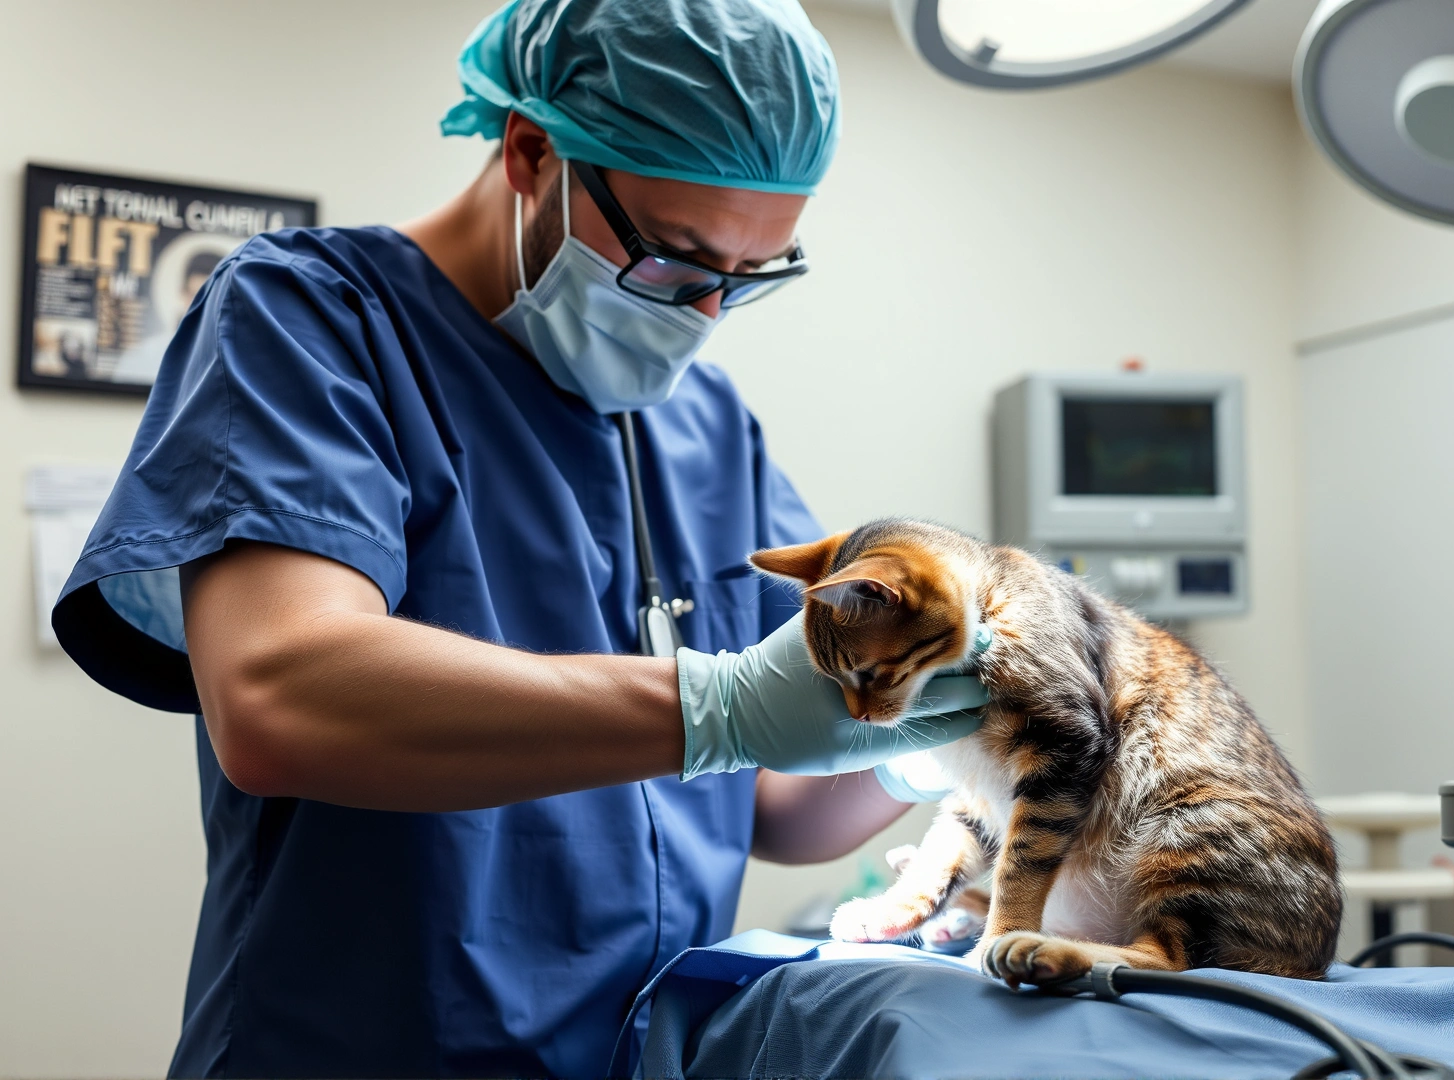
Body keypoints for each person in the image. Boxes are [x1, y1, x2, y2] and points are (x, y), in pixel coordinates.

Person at [51, 1, 982, 1075]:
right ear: (533, 153)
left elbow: (771, 805)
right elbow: (277, 694)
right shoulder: (315, 319)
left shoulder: (705, 424)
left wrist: (921, 745)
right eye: (677, 261)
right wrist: (716, 707)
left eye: (746, 278)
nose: (706, 316)